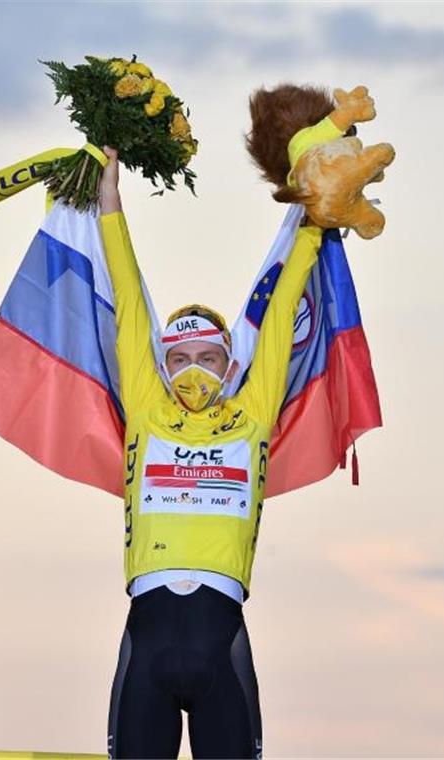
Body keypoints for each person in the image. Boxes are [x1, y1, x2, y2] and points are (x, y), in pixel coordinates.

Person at [98, 145, 324, 759]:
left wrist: (314, 225)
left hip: (221, 639)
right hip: (146, 640)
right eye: (179, 359)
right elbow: (128, 302)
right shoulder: (145, 409)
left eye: (208, 358)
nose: (192, 370)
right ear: (161, 366)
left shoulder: (251, 417)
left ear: (230, 365)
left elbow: (278, 319)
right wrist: (109, 201)